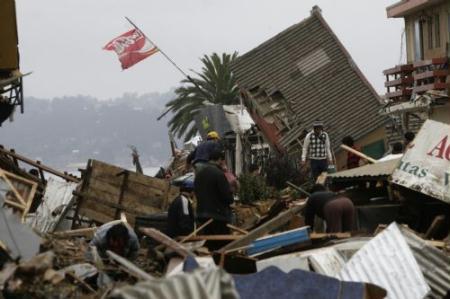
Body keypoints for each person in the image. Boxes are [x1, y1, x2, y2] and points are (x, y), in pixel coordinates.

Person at [194, 149, 234, 235]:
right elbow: (227, 197)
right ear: (220, 160)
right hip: (217, 216)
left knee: (207, 244)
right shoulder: (219, 174)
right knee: (221, 244)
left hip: (201, 215)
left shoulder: (199, 174)